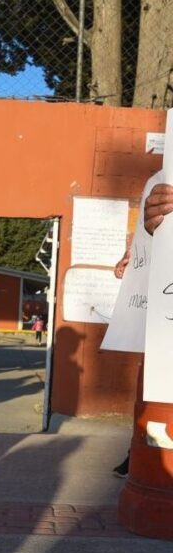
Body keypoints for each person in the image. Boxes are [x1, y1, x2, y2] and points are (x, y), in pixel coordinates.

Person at [109, 179, 173, 478]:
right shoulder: (159, 178)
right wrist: (133, 254)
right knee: (152, 405)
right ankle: (136, 452)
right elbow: (141, 243)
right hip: (162, 323)